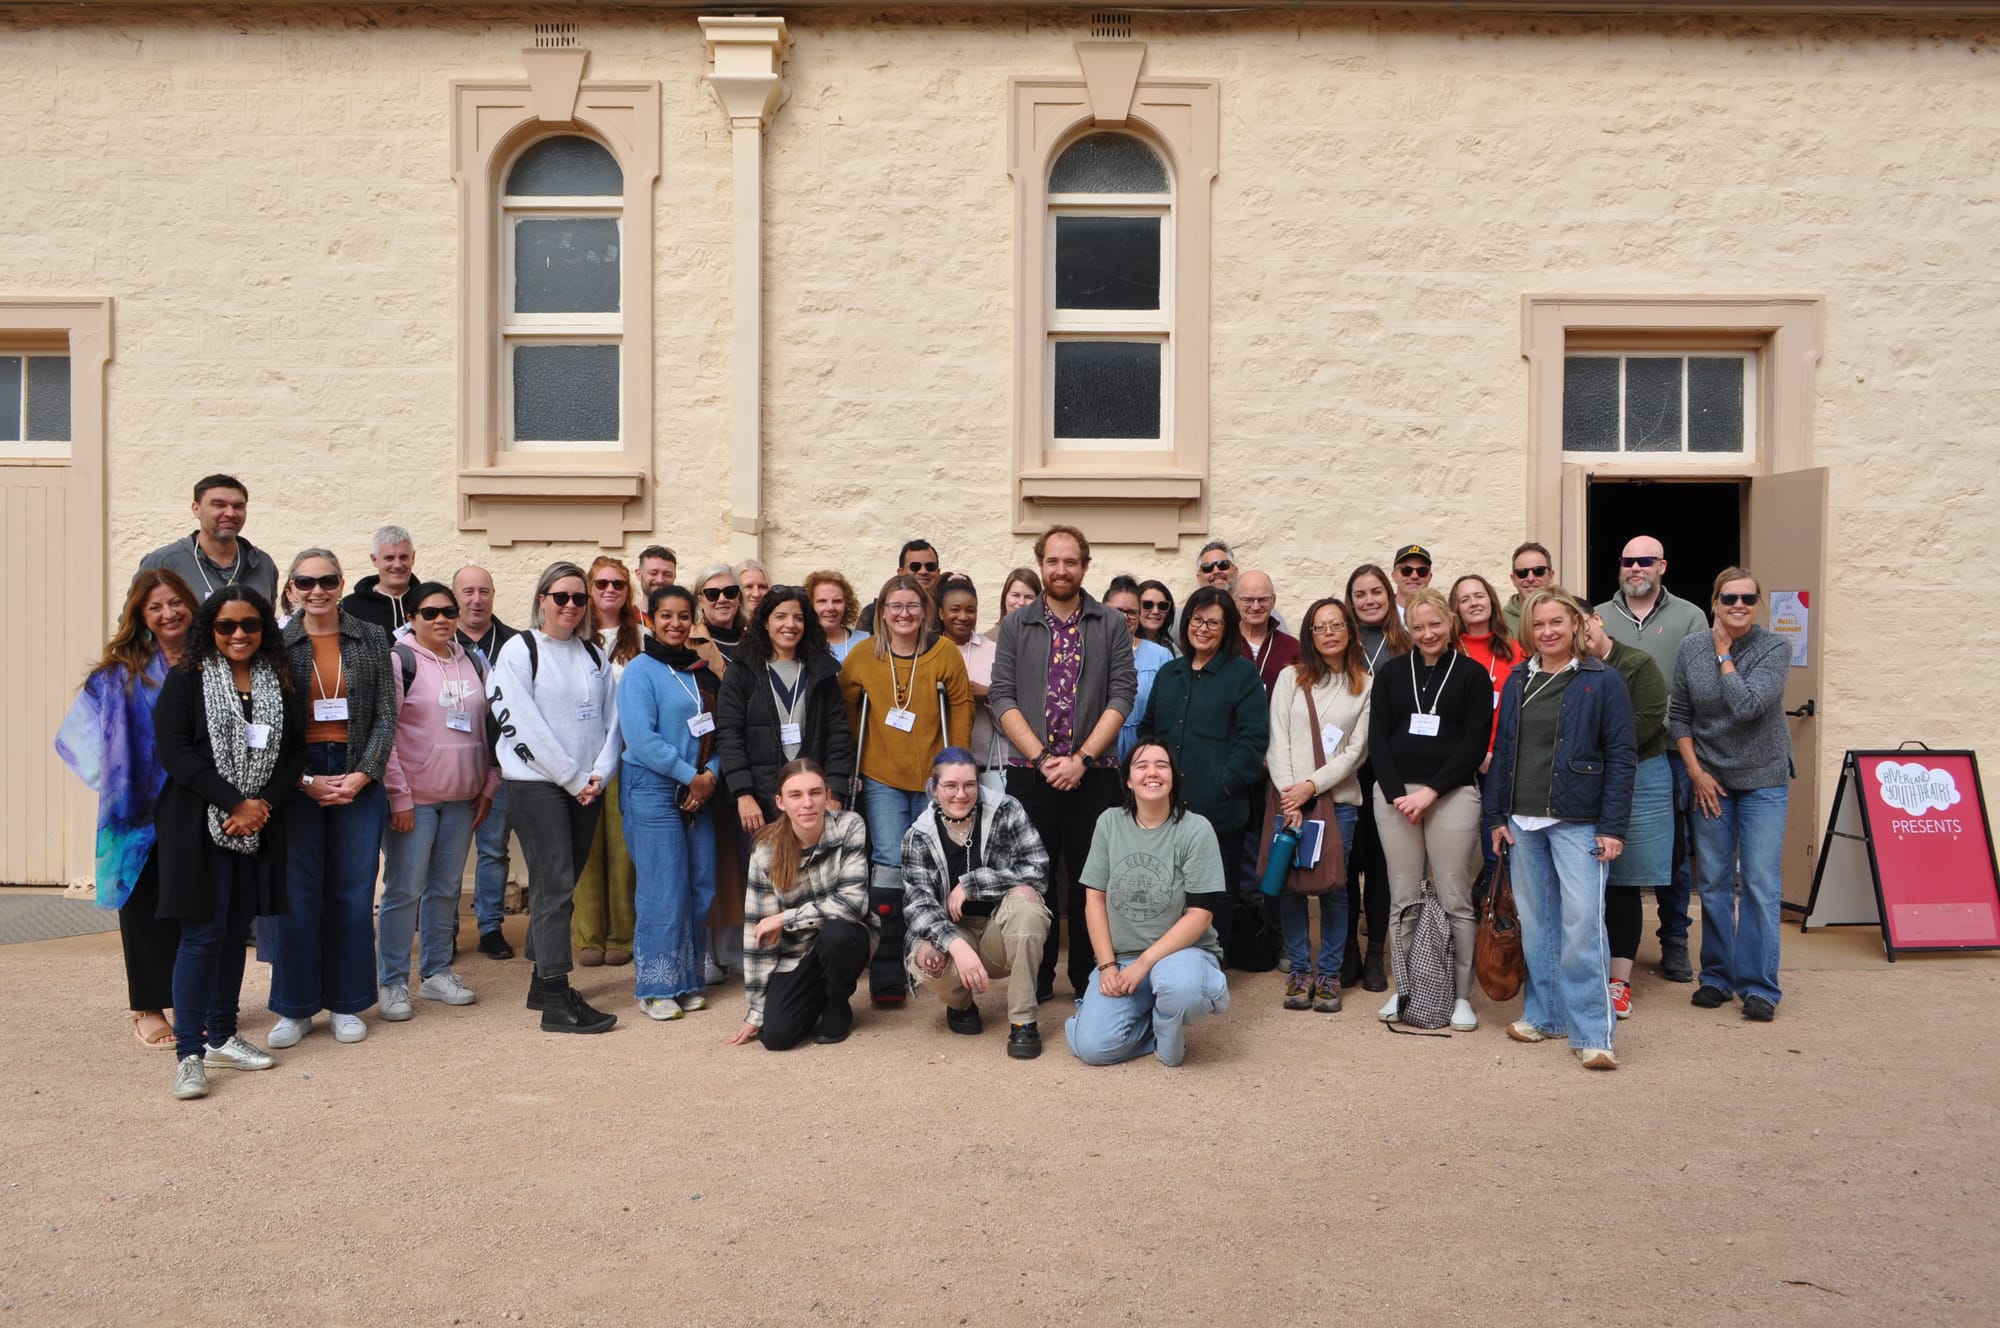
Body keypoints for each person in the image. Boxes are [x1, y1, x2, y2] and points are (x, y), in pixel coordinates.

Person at [153, 585, 306, 1099]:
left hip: (257, 825)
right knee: (201, 936)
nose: (239, 634)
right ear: (209, 630)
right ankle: (189, 1054)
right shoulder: (186, 679)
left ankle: (221, 1035)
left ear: (264, 628)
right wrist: (232, 802)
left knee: (234, 931)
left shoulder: (280, 681)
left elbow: (292, 754)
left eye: (249, 625)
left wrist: (260, 804)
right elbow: (174, 752)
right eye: (226, 626)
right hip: (196, 824)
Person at [1486, 588, 1636, 1069]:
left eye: (1557, 622)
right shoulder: (1517, 680)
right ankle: (1546, 1015)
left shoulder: (1603, 681)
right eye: (1539, 624)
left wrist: (1612, 827)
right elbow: (1505, 752)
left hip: (1579, 823)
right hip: (1523, 821)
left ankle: (1594, 1034)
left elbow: (1621, 757)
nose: (1548, 631)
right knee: (1538, 924)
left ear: (1576, 625)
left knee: (1582, 928)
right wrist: (1496, 817)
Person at [990, 525, 1137, 1003]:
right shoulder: (1017, 624)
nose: (1061, 570)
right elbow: (1002, 696)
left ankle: (1086, 977)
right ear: (1040, 564)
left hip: (1093, 774)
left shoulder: (1111, 623)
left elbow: (1122, 694)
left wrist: (1081, 758)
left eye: (1070, 561)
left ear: (1085, 566)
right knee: (1033, 876)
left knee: (1089, 878)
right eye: (1052, 561)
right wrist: (1043, 758)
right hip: (1030, 772)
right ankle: (1037, 973)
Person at [55, 568, 199, 1049]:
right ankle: (148, 1005)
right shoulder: (118, 674)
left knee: (196, 905)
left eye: (175, 601)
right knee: (144, 906)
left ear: (190, 603)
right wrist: (122, 782)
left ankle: (193, 999)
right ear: (141, 614)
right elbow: (75, 739)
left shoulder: (211, 662)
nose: (168, 612)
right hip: (139, 814)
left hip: (199, 802)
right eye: (155, 606)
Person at [263, 548, 395, 1049]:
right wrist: (299, 779)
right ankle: (294, 1008)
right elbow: (269, 719)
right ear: (292, 588)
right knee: (296, 896)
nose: (317, 589)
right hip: (296, 780)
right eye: (306, 581)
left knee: (352, 892)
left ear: (342, 584)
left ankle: (347, 1002)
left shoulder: (370, 637)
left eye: (328, 580)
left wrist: (364, 773)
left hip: (355, 773)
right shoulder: (275, 642)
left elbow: (387, 712)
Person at [486, 561, 623, 1034]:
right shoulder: (519, 650)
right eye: (560, 596)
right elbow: (520, 723)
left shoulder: (593, 654)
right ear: (542, 598)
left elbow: (612, 720)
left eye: (578, 598)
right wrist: (570, 776)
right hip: (537, 784)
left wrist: (600, 774)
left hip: (587, 786)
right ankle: (558, 1001)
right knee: (557, 884)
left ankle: (540, 983)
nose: (570, 605)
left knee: (553, 887)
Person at [839, 574, 973, 1004]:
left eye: (912, 606)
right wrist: (851, 764)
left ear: (925, 610)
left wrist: (956, 768)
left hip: (932, 778)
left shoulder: (943, 653)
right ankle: (888, 967)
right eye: (895, 606)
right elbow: (846, 708)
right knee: (888, 861)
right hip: (881, 775)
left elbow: (960, 707)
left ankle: (930, 957)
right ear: (882, 612)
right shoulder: (862, 656)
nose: (904, 614)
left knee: (932, 866)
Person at [1669, 567, 1792, 1022]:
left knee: (1759, 884)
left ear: (1757, 604)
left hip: (1763, 779)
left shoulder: (1775, 647)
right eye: (1729, 598)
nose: (1737, 605)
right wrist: (1696, 773)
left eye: (1747, 598)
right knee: (1716, 883)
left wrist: (1724, 655)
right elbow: (1678, 715)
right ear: (1714, 601)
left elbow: (1747, 706)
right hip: (1711, 780)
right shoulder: (1689, 648)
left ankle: (1760, 986)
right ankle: (1718, 977)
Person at [1367, 587, 1490, 1032]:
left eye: (1435, 624)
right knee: (1404, 898)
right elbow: (1377, 739)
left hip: (1451, 794)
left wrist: (1429, 793)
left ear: (1450, 623)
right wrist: (1401, 793)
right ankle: (1406, 989)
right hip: (1396, 798)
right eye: (1418, 627)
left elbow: (1474, 744)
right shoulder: (1393, 674)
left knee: (1454, 896)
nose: (1427, 633)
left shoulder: (1472, 675)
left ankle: (1460, 996)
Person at [1065, 743, 1231, 1066]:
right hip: (1124, 960)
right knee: (1092, 1048)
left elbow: (1200, 915)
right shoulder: (1109, 823)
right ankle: (1146, 1020)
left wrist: (1145, 964)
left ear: (1174, 777)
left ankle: (1180, 1015)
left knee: (1177, 987)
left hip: (1182, 954)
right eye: (1141, 766)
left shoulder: (1196, 830)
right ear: (1128, 779)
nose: (1152, 773)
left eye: (1161, 765)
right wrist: (1108, 966)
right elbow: (1094, 899)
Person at [374, 582, 495, 1023]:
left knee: (445, 890)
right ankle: (391, 981)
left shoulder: (473, 661)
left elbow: (489, 729)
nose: (441, 619)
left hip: (462, 798)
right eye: (429, 613)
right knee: (404, 891)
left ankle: (436, 972)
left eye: (448, 611)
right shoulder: (399, 660)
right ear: (411, 617)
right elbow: (384, 734)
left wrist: (488, 784)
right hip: (416, 801)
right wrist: (398, 797)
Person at [1598, 534, 1711, 984]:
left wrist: (1653, 722)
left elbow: (1697, 687)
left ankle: (1675, 940)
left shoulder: (1689, 616)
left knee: (1673, 854)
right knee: (1616, 853)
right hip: (1612, 759)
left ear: (1663, 566)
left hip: (1671, 752)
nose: (1635, 568)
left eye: (1645, 561)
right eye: (1627, 561)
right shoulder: (1599, 619)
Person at [900, 748, 1052, 1058]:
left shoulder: (1006, 810)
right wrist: (956, 946)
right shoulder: (919, 835)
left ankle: (1023, 1021)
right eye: (951, 786)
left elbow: (1037, 869)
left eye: (969, 785)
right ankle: (962, 1004)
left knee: (1027, 903)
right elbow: (919, 907)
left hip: (1000, 927)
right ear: (934, 787)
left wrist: (974, 883)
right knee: (927, 956)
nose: (961, 794)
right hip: (956, 933)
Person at [1140, 586, 1269, 949]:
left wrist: (1222, 785)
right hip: (1163, 805)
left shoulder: (1242, 675)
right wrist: (1150, 778)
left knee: (1216, 889)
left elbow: (1253, 741)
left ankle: (1213, 957)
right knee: (1166, 884)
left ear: (1227, 628)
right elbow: (1149, 729)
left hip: (1218, 807)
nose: (1204, 628)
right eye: (1198, 619)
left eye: (1214, 622)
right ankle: (1166, 953)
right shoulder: (1170, 673)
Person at [618, 584, 723, 1021]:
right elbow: (641, 739)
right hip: (654, 788)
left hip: (699, 788)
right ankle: (656, 986)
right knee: (664, 891)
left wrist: (711, 773)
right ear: (650, 618)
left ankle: (687, 979)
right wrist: (691, 778)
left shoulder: (702, 672)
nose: (676, 624)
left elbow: (720, 731)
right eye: (667, 616)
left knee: (700, 885)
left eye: (683, 616)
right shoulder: (640, 671)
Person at [1265, 596, 1372, 1014]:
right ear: (1310, 634)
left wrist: (1311, 786)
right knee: (1290, 887)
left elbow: (1356, 752)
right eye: (1319, 626)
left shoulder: (1364, 683)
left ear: (1349, 631)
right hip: (1288, 799)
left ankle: (1329, 973)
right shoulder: (1291, 678)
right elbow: (1279, 740)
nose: (1328, 633)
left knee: (1333, 888)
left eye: (1336, 625)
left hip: (1337, 802)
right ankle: (1299, 970)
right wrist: (1290, 794)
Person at [727, 760, 875, 1049]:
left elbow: (853, 904)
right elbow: (757, 934)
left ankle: (837, 1005)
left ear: (827, 795)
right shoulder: (765, 852)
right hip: (797, 952)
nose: (807, 803)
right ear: (781, 802)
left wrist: (785, 918)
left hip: (847, 939)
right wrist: (757, 1010)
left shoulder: (849, 826)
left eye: (814, 793)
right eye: (796, 795)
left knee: (838, 934)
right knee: (777, 1037)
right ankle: (815, 995)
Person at [1584, 610, 1670, 1020]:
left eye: (1581, 621)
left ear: (1595, 619)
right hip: (1583, 779)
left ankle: (1619, 981)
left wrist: (1587, 741)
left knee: (1624, 878)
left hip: (1637, 774)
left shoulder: (1637, 664)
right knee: (1586, 881)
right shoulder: (1569, 669)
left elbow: (1647, 721)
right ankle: (1586, 973)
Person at [719, 584, 854, 831]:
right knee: (765, 868)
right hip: (760, 800)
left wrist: (834, 793)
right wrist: (743, 793)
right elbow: (729, 735)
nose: (790, 625)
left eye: (798, 618)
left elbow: (838, 736)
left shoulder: (822, 672)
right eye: (780, 616)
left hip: (811, 799)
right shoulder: (742, 671)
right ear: (764, 623)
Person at [1342, 563, 1411, 991]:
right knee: (1347, 863)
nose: (1368, 601)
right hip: (1347, 767)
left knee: (1384, 864)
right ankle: (1346, 948)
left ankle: (1374, 955)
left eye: (1375, 593)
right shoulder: (1342, 644)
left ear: (1388, 596)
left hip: (1392, 768)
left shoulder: (1404, 645)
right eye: (1360, 594)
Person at [571, 555, 642, 968]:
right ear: (589, 589)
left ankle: (621, 934)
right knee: (586, 845)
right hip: (581, 756)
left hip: (627, 755)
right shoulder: (573, 636)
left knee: (621, 848)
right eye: (601, 584)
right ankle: (589, 935)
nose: (609, 590)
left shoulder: (642, 639)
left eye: (617, 583)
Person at [453, 564, 520, 959]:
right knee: (449, 852)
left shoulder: (513, 642)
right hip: (453, 764)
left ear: (493, 595)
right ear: (455, 595)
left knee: (494, 849)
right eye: (467, 592)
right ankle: (443, 929)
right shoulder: (440, 639)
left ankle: (491, 927)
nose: (476, 600)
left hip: (502, 763)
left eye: (484, 591)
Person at [137, 473, 279, 606]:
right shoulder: (164, 562)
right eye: (219, 505)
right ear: (196, 509)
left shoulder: (262, 564)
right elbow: (134, 624)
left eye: (238, 506)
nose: (230, 513)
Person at [1450, 572, 1517, 768]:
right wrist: (1476, 753)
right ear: (1456, 609)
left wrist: (1491, 751)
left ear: (1491, 601)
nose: (1474, 603)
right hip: (1458, 758)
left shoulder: (1517, 651)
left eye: (1479, 596)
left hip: (1505, 756)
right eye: (1465, 599)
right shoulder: (1448, 651)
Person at [1102, 576, 1172, 763]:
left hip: (1144, 750)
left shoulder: (1161, 656)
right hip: (1100, 750)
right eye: (1117, 611)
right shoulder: (1089, 653)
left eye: (1132, 612)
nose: (1124, 617)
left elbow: (1167, 714)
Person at [935, 575, 1000, 769]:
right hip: (939, 757)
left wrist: (989, 693)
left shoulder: (994, 651)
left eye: (970, 610)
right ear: (940, 613)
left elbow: (1015, 702)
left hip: (987, 760)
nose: (963, 617)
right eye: (955, 610)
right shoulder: (930, 651)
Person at [340, 525, 420, 637]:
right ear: (374, 560)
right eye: (389, 558)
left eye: (403, 557)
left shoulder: (428, 602)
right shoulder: (349, 608)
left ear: (413, 557)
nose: (397, 565)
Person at [1235, 570, 1300, 695]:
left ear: (1273, 600)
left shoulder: (1293, 648)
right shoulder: (1222, 643)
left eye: (1263, 599)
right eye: (1248, 600)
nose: (1256, 607)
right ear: (1236, 601)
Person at [857, 539, 943, 633]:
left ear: (938, 572)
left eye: (930, 566)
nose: (923, 572)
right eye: (915, 567)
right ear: (900, 573)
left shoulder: (947, 610)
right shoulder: (873, 613)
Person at [806, 569, 869, 663]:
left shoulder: (865, 642)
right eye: (822, 601)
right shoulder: (801, 644)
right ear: (810, 605)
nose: (830, 608)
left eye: (837, 601)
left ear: (847, 604)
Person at [690, 564, 746, 668]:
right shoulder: (687, 643)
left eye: (730, 592)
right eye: (712, 594)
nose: (722, 599)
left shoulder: (755, 642)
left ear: (740, 598)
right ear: (700, 601)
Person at [1503, 542, 1554, 635]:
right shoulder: (1499, 623)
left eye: (1538, 571)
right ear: (1513, 579)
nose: (1530, 578)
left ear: (1551, 575)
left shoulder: (1567, 616)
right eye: (1522, 573)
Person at [989, 566, 1042, 638]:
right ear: (1005, 597)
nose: (1021, 603)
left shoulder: (1050, 640)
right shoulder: (988, 641)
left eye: (1029, 597)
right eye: (1016, 595)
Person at [1136, 579, 1177, 656]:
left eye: (1163, 606)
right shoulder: (1125, 645)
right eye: (1147, 605)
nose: (1156, 611)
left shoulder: (1171, 648)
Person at [1392, 543, 1433, 611]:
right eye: (1406, 570)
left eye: (1422, 571)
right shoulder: (1381, 613)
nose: (1414, 576)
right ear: (1394, 576)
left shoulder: (1441, 614)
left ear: (1429, 577)